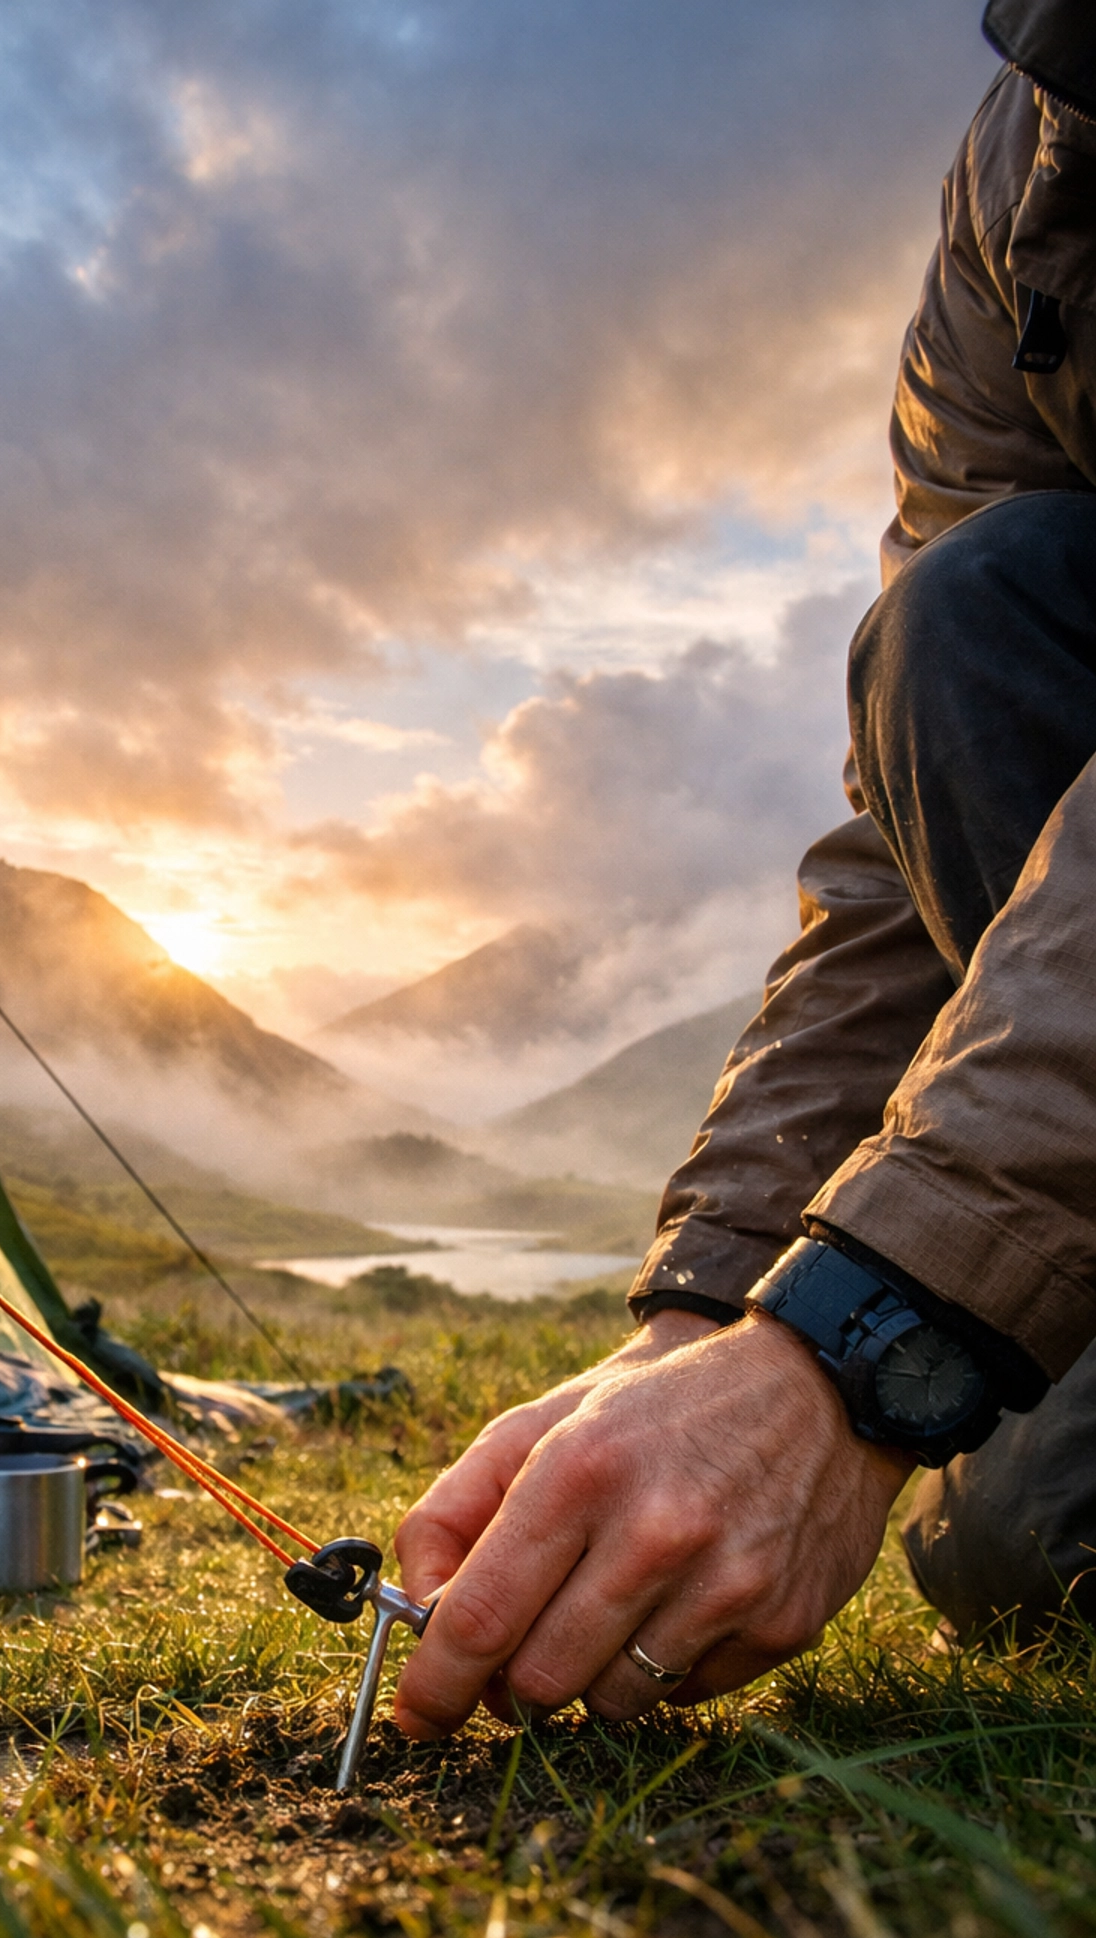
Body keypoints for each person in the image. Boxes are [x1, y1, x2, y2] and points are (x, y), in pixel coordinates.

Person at [393, 0, 1096, 1745]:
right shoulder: (1034, 150)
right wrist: (710, 1312)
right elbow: (904, 838)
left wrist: (861, 1358)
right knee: (962, 620)